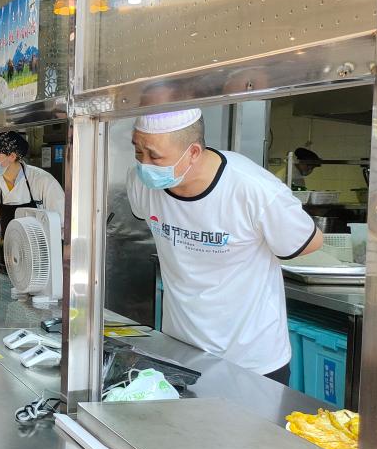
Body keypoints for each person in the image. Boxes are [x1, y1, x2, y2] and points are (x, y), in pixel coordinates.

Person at [128, 108, 324, 384]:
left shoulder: (253, 189)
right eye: (138, 152)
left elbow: (310, 241)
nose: (145, 164)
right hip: (180, 350)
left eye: (155, 156)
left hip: (251, 361)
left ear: (193, 152)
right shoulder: (141, 183)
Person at [0, 130, 65, 262]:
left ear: (12, 156)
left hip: (44, 259)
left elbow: (61, 225)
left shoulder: (43, 181)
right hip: (12, 259)